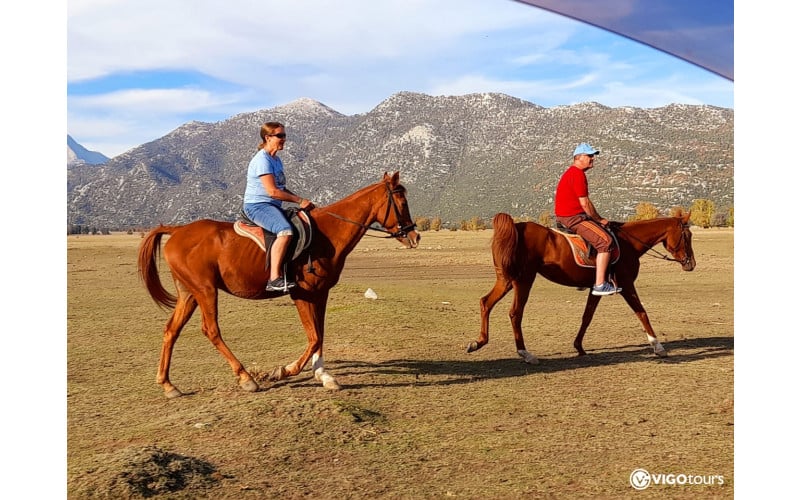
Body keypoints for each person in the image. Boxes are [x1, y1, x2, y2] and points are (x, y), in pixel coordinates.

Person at [243, 122, 314, 292]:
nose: (284, 139)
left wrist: (301, 201)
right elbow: (273, 191)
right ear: (268, 137)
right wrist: (299, 200)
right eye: (280, 136)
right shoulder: (262, 160)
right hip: (258, 206)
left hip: (272, 205)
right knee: (285, 231)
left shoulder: (276, 159)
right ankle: (274, 278)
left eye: (284, 135)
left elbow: (280, 188)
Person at [554, 142, 621, 296]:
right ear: (579, 157)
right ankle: (600, 285)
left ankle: (586, 276)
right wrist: (599, 219)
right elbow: (585, 203)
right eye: (590, 156)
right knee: (606, 242)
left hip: (568, 216)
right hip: (574, 218)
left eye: (593, 156)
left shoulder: (571, 173)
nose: (593, 159)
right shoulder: (577, 174)